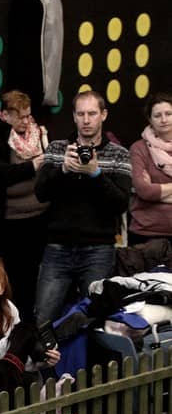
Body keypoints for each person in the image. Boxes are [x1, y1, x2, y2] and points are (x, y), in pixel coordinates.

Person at [34, 90, 131, 326]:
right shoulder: (57, 149)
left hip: (98, 249)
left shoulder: (119, 154)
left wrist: (96, 174)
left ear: (103, 115)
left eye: (92, 113)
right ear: (74, 117)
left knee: (96, 319)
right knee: (44, 318)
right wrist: (63, 170)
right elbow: (41, 193)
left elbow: (120, 204)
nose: (86, 120)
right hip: (58, 247)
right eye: (81, 114)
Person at [0, 90, 50, 321]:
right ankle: (11, 323)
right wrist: (33, 166)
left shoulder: (38, 133)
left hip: (40, 216)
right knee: (13, 279)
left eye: (28, 116)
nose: (26, 121)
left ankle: (29, 322)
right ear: (4, 115)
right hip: (10, 222)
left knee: (34, 277)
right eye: (20, 117)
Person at [129, 92, 172, 246]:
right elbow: (144, 190)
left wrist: (156, 189)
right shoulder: (138, 149)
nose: (164, 120)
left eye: (168, 114)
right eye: (157, 115)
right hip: (146, 234)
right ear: (150, 119)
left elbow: (150, 192)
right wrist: (148, 190)